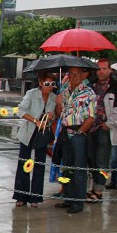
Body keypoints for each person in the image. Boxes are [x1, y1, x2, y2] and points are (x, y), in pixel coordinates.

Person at [54, 67, 96, 214]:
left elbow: (91, 117)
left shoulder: (89, 92)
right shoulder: (65, 92)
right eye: (71, 74)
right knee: (67, 167)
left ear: (83, 75)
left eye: (77, 74)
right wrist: (58, 103)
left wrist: (80, 132)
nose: (74, 77)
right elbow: (60, 114)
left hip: (79, 133)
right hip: (65, 132)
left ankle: (78, 202)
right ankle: (68, 198)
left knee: (79, 169)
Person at [12, 71, 57, 207]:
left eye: (53, 84)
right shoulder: (32, 94)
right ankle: (21, 195)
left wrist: (51, 116)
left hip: (43, 133)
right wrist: (35, 120)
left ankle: (35, 197)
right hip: (28, 132)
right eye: (47, 84)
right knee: (24, 163)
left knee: (40, 164)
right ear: (41, 83)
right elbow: (21, 110)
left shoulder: (54, 98)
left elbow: (55, 115)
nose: (50, 87)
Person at [87, 58, 117, 201]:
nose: (101, 71)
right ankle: (91, 188)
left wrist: (108, 124)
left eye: (104, 68)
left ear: (110, 70)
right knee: (91, 160)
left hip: (104, 128)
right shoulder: (90, 84)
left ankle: (98, 191)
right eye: (99, 68)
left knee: (102, 161)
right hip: (90, 128)